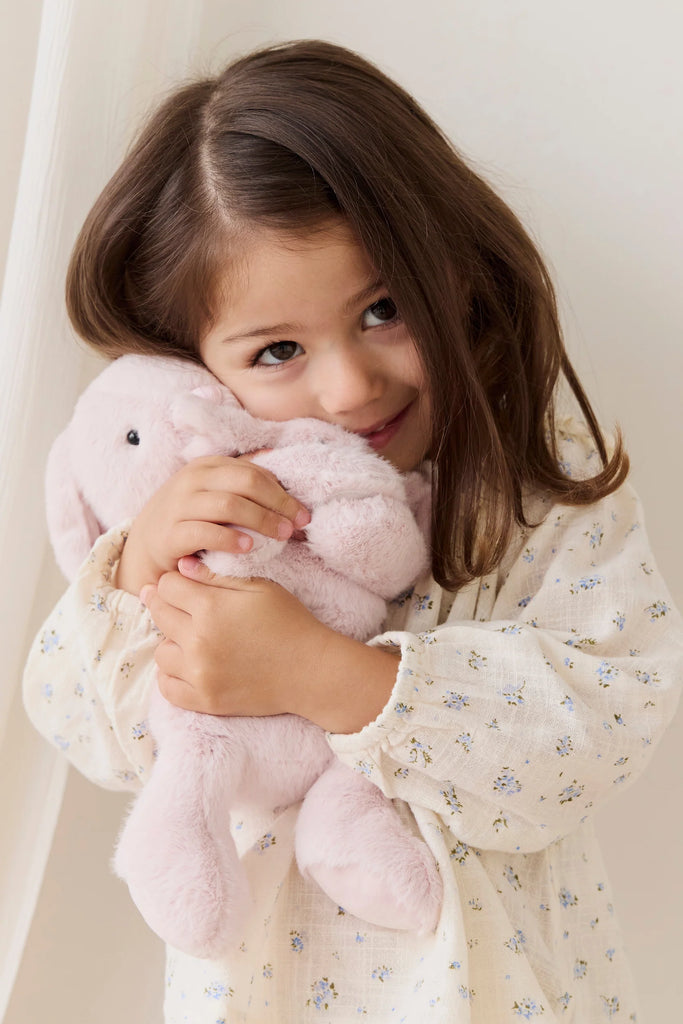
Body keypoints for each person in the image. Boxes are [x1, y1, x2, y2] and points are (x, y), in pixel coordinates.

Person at [23, 38, 682, 1023]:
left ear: (449, 266)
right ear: (197, 367)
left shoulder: (529, 468)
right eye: (278, 350)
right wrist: (137, 571)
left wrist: (325, 676)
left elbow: (605, 717)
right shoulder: (209, 507)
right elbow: (87, 728)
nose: (347, 386)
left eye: (382, 308)